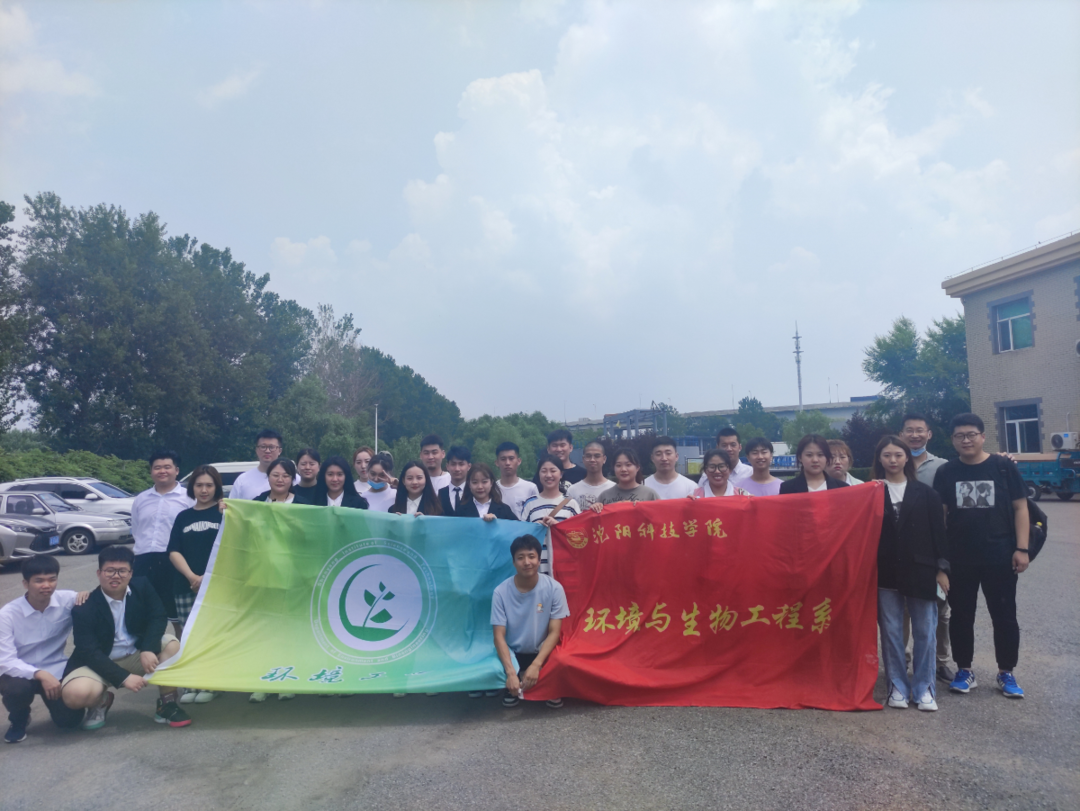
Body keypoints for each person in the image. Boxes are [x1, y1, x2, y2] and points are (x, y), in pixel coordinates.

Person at [934, 413, 1029, 699]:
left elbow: (1021, 508)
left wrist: (1022, 548)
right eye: (959, 436)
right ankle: (964, 670)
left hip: (1000, 556)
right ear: (953, 440)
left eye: (971, 434)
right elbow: (941, 517)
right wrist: (941, 561)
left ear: (983, 436)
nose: (966, 440)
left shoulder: (1002, 466)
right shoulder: (946, 472)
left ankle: (1006, 672)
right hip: (959, 559)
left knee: (1004, 616)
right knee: (962, 616)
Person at [60, 546, 190, 729]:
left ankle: (167, 704)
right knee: (75, 696)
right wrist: (123, 677)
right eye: (109, 571)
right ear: (99, 573)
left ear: (131, 573)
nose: (116, 576)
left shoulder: (142, 586)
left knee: (172, 645)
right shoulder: (85, 606)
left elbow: (158, 617)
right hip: (100, 662)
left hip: (136, 655)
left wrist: (148, 648)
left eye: (122, 571)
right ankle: (102, 701)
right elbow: (88, 650)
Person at [873, 435, 950, 712]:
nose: (893, 460)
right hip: (885, 571)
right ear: (879, 459)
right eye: (887, 455)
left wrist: (942, 569)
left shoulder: (926, 493)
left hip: (922, 570)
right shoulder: (871, 491)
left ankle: (924, 687)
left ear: (907, 457)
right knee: (891, 632)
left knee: (925, 631)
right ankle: (896, 685)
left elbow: (939, 534)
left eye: (898, 455)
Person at [0, 557, 87, 742]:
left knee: (69, 722)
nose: (46, 585)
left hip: (56, 669)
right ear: (26, 583)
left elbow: (95, 599)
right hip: (19, 674)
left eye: (52, 579)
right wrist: (39, 674)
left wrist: (87, 595)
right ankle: (19, 718)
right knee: (16, 690)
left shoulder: (67, 600)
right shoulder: (7, 615)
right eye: (39, 580)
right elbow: (5, 660)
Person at [900, 414, 956, 682]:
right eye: (909, 430)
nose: (915, 435)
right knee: (903, 610)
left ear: (929, 434)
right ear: (901, 434)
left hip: (935, 547)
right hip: (903, 549)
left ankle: (940, 661)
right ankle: (901, 659)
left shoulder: (943, 467)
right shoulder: (894, 463)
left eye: (920, 430)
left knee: (940, 609)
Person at [492, 534, 569, 709]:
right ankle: (514, 681)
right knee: (493, 665)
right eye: (520, 557)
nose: (526, 562)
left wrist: (536, 664)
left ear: (539, 560)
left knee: (563, 660)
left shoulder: (554, 588)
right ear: (513, 562)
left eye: (531, 556)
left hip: (542, 651)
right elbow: (498, 636)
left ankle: (544, 683)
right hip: (514, 652)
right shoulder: (500, 592)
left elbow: (554, 632)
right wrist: (511, 672)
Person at [167, 465, 222, 705]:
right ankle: (192, 682)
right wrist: (192, 577)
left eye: (209, 485)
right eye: (199, 485)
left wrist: (207, 578)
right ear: (192, 488)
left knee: (211, 635)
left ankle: (211, 683)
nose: (204, 490)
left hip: (217, 586)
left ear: (217, 487)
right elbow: (173, 550)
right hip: (185, 585)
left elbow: (233, 548)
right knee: (189, 635)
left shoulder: (225, 514)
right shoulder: (183, 516)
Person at [130, 449, 194, 632]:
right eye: (157, 467)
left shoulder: (188, 498)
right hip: (143, 561)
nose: (162, 471)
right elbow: (137, 529)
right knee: (143, 612)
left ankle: (180, 647)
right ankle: (150, 647)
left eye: (167, 467)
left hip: (173, 561)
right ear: (151, 471)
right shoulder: (141, 499)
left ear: (177, 470)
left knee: (177, 615)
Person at [521, 455, 580, 575]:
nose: (548, 475)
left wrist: (558, 527)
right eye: (544, 471)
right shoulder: (530, 504)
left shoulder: (571, 504)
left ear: (561, 474)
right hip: (537, 568)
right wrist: (534, 528)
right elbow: (521, 537)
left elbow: (579, 537)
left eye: (553, 471)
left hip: (565, 567)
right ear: (539, 474)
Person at [229, 429, 298, 499]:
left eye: (271, 447)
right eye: (263, 447)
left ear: (280, 451)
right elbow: (231, 505)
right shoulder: (242, 480)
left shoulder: (295, 479)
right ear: (256, 450)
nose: (267, 451)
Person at [779, 435, 849, 493]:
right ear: (800, 457)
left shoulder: (842, 488)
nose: (815, 460)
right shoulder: (787, 488)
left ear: (827, 457)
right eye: (809, 455)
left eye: (820, 455)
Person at [593, 448, 660, 509]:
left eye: (628, 465)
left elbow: (660, 516)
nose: (623, 469)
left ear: (637, 467)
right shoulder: (605, 496)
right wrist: (594, 508)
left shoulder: (650, 495)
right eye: (618, 465)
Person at [455, 463, 520, 521]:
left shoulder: (504, 510)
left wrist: (498, 522)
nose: (480, 487)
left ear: (491, 482)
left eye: (484, 482)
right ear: (469, 484)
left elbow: (518, 528)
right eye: (475, 482)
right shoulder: (460, 510)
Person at [531, 429, 586, 494]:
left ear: (571, 447)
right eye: (554, 445)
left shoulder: (583, 474)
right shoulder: (541, 476)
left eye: (562, 445)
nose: (559, 449)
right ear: (548, 449)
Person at [565, 440, 615, 510]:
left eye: (597, 456)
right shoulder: (572, 490)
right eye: (588, 456)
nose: (592, 460)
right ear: (583, 459)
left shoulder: (614, 488)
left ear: (604, 459)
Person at [495, 442, 539, 518]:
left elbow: (537, 515)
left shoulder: (530, 488)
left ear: (519, 461)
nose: (507, 463)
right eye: (503, 459)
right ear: (497, 462)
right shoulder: (493, 489)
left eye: (511, 458)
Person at [438, 446, 472, 515]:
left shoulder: (473, 492)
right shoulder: (441, 493)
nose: (457, 469)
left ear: (469, 466)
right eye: (453, 464)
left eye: (461, 464)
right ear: (447, 466)